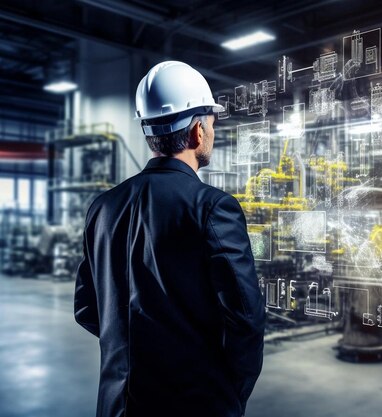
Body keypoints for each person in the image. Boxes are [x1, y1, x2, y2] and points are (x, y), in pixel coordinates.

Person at [74, 61, 265, 417]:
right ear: (196, 132)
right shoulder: (213, 208)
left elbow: (87, 308)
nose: (212, 130)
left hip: (116, 406)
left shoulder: (102, 207)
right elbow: (246, 320)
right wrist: (228, 397)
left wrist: (135, 350)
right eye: (211, 122)